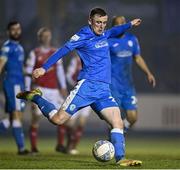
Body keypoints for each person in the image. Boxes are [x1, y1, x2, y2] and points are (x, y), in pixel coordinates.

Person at [17, 8, 142, 166]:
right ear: (90, 21)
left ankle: (121, 159)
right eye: (98, 22)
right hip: (87, 87)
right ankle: (35, 97)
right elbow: (62, 50)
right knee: (58, 120)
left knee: (118, 122)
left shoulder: (105, 33)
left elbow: (115, 29)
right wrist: (44, 68)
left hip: (103, 90)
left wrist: (130, 24)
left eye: (104, 23)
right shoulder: (82, 35)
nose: (101, 26)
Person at [108, 16, 156, 132]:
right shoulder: (108, 41)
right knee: (115, 117)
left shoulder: (132, 39)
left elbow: (138, 58)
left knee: (133, 118)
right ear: (113, 26)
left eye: (122, 23)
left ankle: (118, 132)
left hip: (128, 85)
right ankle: (115, 140)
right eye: (117, 24)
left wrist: (148, 73)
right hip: (113, 84)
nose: (120, 26)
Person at [25, 27, 68, 153]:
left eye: (48, 35)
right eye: (43, 35)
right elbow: (28, 72)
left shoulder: (56, 52)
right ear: (39, 38)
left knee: (62, 116)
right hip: (40, 89)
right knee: (35, 118)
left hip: (54, 90)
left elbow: (60, 71)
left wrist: (63, 87)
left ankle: (60, 144)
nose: (46, 38)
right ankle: (34, 147)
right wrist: (27, 90)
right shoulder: (35, 53)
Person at [0, 21, 29, 155]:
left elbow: (20, 68)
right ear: (9, 32)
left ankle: (21, 148)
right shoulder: (7, 47)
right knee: (16, 115)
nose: (16, 31)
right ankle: (21, 149)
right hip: (12, 84)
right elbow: (1, 63)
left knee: (13, 118)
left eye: (18, 29)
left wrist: (30, 73)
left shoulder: (20, 47)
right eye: (13, 29)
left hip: (20, 84)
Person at [58, 54, 92, 155]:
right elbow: (68, 75)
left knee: (82, 123)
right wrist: (77, 82)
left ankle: (73, 147)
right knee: (70, 124)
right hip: (78, 95)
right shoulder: (76, 60)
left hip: (89, 96)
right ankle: (68, 145)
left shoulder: (92, 59)